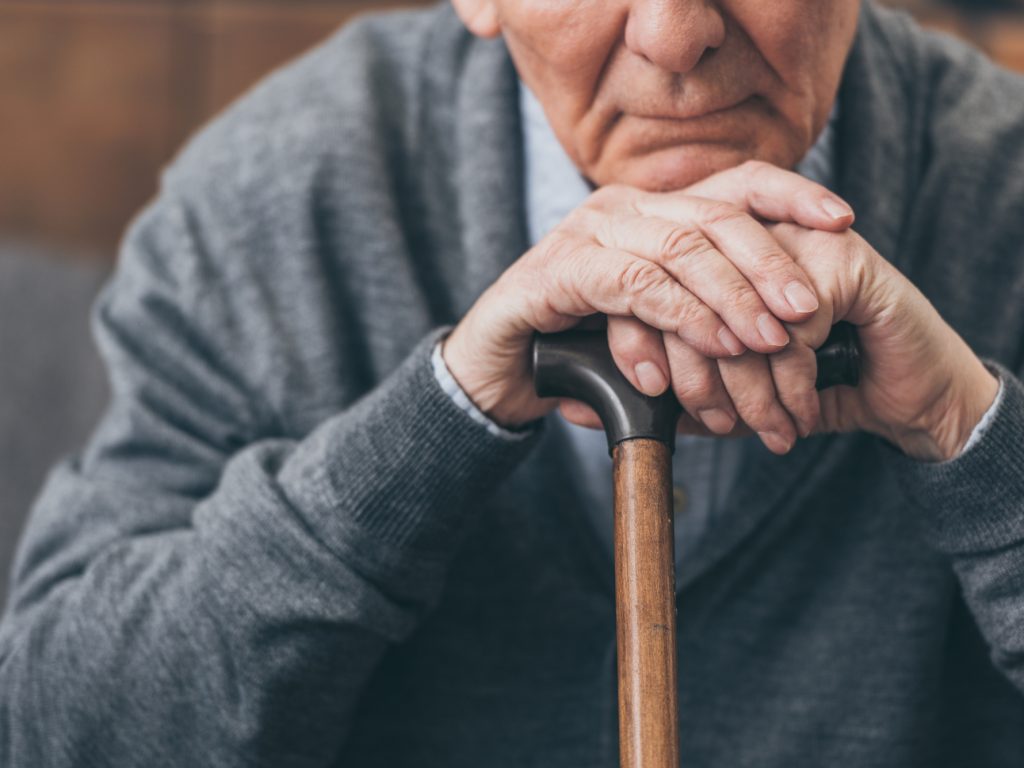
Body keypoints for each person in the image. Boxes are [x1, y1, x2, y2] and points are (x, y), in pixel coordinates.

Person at [1, 0, 1023, 764]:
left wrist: (971, 434)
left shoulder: (1005, 186)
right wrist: (435, 422)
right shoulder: (267, 200)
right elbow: (59, 727)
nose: (673, 35)